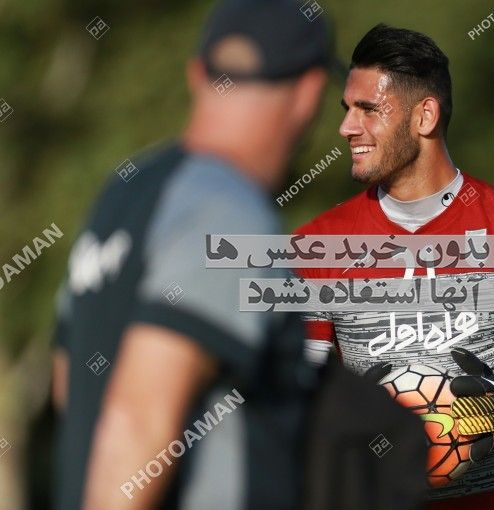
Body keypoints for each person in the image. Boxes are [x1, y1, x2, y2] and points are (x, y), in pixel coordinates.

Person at [295, 24, 494, 509]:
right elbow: (291, 398)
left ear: (425, 115)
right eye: (347, 109)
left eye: (368, 109)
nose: (346, 127)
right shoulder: (316, 247)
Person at [52, 1, 332, 508]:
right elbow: (139, 419)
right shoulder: (228, 213)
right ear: (310, 92)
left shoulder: (125, 191)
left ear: (198, 74)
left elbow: (71, 381)